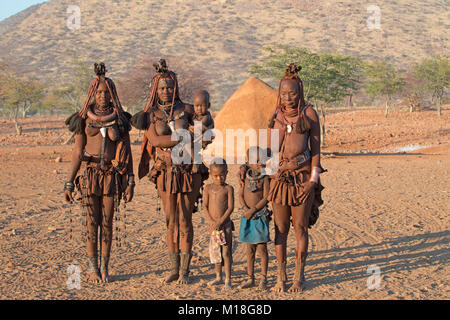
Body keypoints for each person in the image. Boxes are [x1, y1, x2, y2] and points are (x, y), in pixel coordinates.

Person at [131, 59, 202, 285]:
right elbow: (154, 139)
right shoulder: (151, 114)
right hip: (165, 171)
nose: (166, 91)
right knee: (170, 220)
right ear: (155, 89)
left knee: (185, 220)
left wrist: (195, 136)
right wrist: (183, 137)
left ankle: (186, 270)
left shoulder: (188, 110)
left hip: (188, 171)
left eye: (170, 87)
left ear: (176, 87)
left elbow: (206, 134)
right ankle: (173, 268)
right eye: (162, 88)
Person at [64, 62, 134, 284]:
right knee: (91, 223)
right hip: (90, 175)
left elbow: (128, 153)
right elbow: (77, 151)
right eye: (99, 91)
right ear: (92, 93)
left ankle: (105, 268)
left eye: (106, 91)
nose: (103, 95)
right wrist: (68, 183)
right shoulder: (83, 118)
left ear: (112, 93)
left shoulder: (120, 119)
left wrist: (130, 181)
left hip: (111, 177)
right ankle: (93, 269)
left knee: (107, 222)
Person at [266, 63, 325, 293]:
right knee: (280, 229)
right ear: (279, 94)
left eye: (292, 93)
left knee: (300, 227)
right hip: (279, 179)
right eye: (284, 93)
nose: (288, 98)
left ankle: (299, 277)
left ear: (299, 92)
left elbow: (317, 150)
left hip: (302, 179)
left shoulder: (309, 113)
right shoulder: (275, 115)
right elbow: (269, 150)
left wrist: (313, 180)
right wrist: (270, 176)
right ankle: (281, 277)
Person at [238, 146, 271, 290]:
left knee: (262, 249)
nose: (259, 163)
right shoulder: (245, 177)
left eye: (262, 160)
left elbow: (266, 197)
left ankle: (263, 278)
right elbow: (240, 194)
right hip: (247, 217)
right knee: (249, 250)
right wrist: (246, 209)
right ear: (248, 162)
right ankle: (250, 277)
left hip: (259, 216)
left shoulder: (265, 178)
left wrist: (254, 209)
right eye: (256, 160)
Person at [203, 158, 234, 289]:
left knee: (226, 253)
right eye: (215, 176)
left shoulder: (228, 188)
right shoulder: (208, 188)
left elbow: (231, 207)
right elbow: (204, 206)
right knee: (216, 253)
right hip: (213, 227)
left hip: (225, 225)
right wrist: (211, 221)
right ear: (210, 175)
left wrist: (221, 221)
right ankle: (218, 277)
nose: (219, 178)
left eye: (222, 175)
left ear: (226, 173)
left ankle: (228, 279)